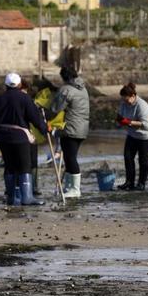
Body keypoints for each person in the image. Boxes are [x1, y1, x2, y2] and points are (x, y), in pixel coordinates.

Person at [0, 73, 48, 206]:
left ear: (6, 84)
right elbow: (35, 117)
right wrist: (44, 129)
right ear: (19, 84)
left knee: (9, 166)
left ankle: (12, 198)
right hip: (20, 137)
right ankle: (27, 198)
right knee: (24, 165)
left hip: (2, 136)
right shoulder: (24, 98)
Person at [50, 66, 90, 198]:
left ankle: (75, 189)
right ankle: (69, 186)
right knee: (69, 157)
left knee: (70, 158)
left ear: (64, 77)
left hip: (71, 128)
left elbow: (56, 108)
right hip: (82, 128)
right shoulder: (83, 88)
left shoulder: (66, 90)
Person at [116, 83, 148, 191]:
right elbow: (120, 116)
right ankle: (129, 182)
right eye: (123, 99)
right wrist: (120, 120)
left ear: (133, 96)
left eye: (127, 99)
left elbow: (142, 123)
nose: (125, 102)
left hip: (146, 135)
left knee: (143, 160)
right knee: (128, 157)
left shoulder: (142, 105)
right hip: (132, 134)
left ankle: (141, 184)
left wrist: (128, 122)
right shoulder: (124, 103)